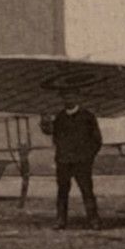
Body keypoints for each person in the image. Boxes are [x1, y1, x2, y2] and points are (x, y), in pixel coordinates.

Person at [41, 91, 103, 229]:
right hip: (63, 161)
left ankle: (94, 221)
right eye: (66, 97)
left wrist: (88, 157)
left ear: (78, 98)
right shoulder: (60, 117)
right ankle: (60, 221)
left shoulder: (88, 116)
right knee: (62, 191)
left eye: (72, 97)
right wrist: (44, 124)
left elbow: (97, 140)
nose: (69, 99)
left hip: (82, 162)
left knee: (87, 191)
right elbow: (51, 132)